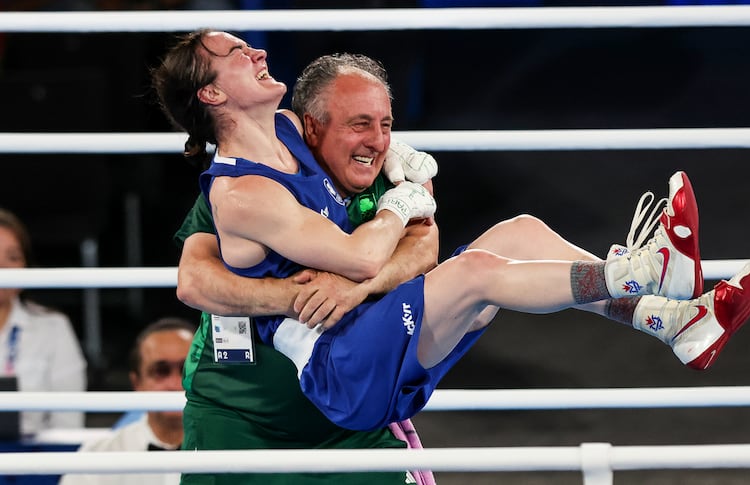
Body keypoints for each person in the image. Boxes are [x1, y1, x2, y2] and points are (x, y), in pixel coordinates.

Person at [153, 28, 750, 478]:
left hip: (367, 343)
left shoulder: (291, 129)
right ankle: (636, 272)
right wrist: (405, 197)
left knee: (518, 232)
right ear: (211, 94)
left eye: (383, 123)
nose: (256, 51)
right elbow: (221, 276)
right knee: (476, 274)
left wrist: (395, 165)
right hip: (334, 371)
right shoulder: (240, 194)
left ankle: (671, 320)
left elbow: (413, 237)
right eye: (237, 53)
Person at [170, 52, 439, 485]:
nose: (373, 141)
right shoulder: (246, 184)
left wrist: (353, 288)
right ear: (312, 125)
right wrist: (295, 298)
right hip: (239, 418)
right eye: (357, 125)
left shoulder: (380, 175)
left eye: (383, 126)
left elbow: (426, 245)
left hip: (351, 427)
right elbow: (194, 279)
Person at [59, 317, 195, 485]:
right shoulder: (98, 457)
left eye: (186, 370)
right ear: (137, 383)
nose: (175, 383)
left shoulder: (232, 448)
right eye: (161, 371)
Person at [0, 207, 86, 436]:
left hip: (33, 460)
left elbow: (68, 425)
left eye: (13, 257)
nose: (3, 268)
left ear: (26, 265)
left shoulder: (53, 327)